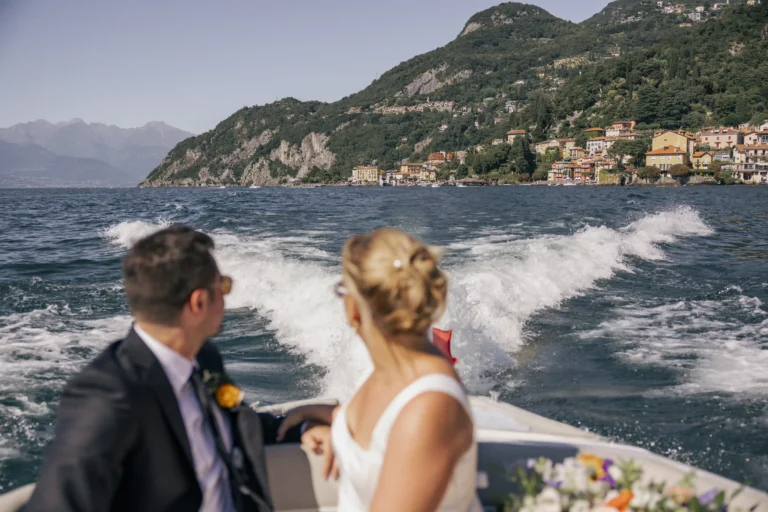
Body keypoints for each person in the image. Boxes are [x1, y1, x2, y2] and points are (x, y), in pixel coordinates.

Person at [26, 225, 330, 512]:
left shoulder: (205, 360)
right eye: (223, 286)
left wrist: (302, 426)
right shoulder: (107, 396)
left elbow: (236, 423)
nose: (226, 296)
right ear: (198, 302)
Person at [279, 228, 481, 512]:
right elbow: (381, 425)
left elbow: (406, 425)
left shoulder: (430, 408)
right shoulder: (391, 368)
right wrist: (315, 417)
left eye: (342, 290)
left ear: (354, 308)